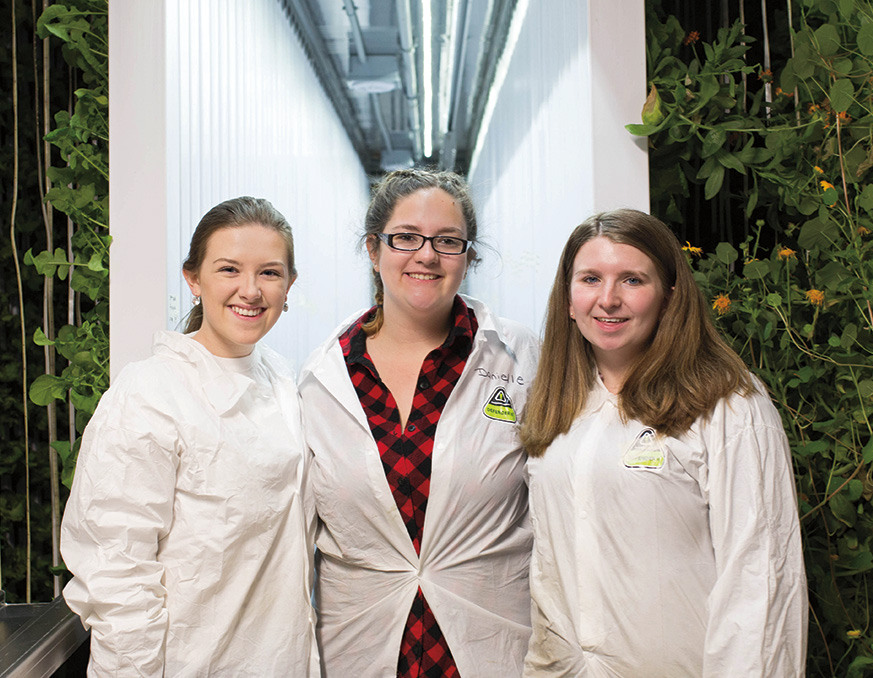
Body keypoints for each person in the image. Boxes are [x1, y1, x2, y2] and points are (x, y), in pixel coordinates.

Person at [520, 209, 808, 677]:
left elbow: (761, 582)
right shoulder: (553, 405)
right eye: (590, 278)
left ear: (670, 297)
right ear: (568, 300)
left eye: (632, 280)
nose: (608, 300)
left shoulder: (729, 406)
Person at [61, 197, 318, 676]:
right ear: (193, 279)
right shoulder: (150, 392)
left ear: (289, 285)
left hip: (284, 658)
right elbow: (115, 570)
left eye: (269, 273)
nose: (251, 290)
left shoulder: (282, 381)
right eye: (228, 269)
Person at [299, 169, 539, 677]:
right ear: (373, 249)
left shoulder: (520, 358)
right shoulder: (323, 378)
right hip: (360, 647)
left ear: (468, 256)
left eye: (448, 241)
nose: (426, 255)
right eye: (406, 237)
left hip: (492, 644)